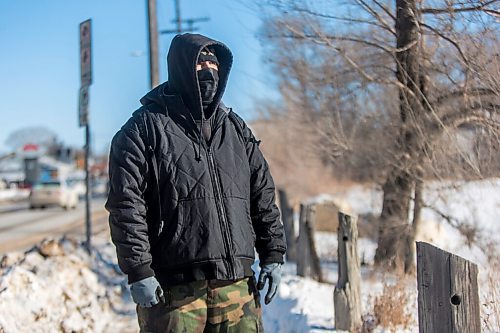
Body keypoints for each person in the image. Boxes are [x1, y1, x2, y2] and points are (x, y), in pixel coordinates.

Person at [105, 33, 286, 332]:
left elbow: (262, 194)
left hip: (236, 286)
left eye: (214, 65)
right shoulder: (143, 128)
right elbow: (126, 205)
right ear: (181, 68)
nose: (208, 72)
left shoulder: (236, 129)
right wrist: (138, 271)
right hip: (174, 292)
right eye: (200, 64)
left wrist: (273, 253)